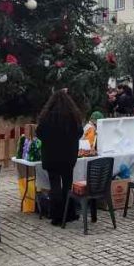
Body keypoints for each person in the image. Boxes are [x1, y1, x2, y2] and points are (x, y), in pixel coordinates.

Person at [36, 88, 84, 226]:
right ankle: (69, 213)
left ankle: (56, 216)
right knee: (68, 185)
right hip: (68, 156)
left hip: (51, 156)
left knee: (55, 185)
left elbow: (39, 133)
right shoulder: (73, 117)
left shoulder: (47, 117)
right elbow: (79, 132)